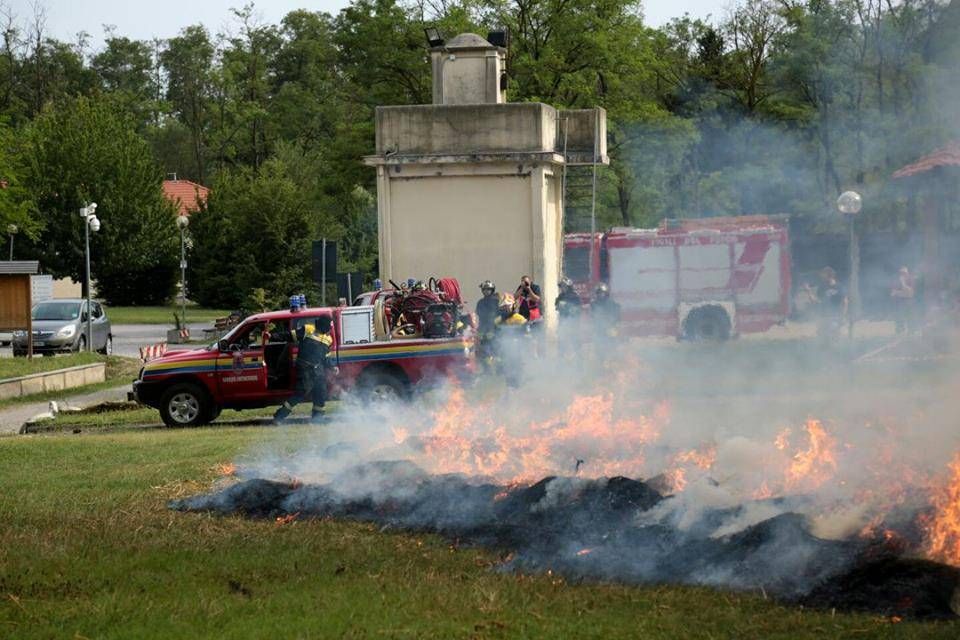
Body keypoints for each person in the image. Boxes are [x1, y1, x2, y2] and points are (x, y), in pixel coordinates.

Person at [273, 316, 335, 424]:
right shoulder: (308, 329)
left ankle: (318, 419)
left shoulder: (328, 339)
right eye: (329, 326)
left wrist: (333, 366)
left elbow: (326, 357)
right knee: (301, 392)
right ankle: (279, 416)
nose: (330, 329)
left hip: (318, 370)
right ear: (324, 325)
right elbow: (289, 336)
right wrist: (272, 336)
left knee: (320, 392)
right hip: (305, 368)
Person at [812, 266, 847, 342]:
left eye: (823, 274)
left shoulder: (839, 287)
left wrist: (843, 316)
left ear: (830, 275)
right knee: (822, 336)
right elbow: (818, 301)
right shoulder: (821, 287)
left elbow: (844, 302)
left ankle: (835, 346)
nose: (821, 277)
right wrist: (808, 292)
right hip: (824, 316)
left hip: (835, 316)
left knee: (834, 336)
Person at [475, 281, 500, 370]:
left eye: (488, 289)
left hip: (495, 330)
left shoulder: (496, 301)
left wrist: (493, 329)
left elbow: (498, 315)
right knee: (484, 352)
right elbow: (479, 315)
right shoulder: (480, 302)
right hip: (483, 330)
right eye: (484, 289)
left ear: (492, 290)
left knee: (496, 352)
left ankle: (498, 370)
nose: (486, 291)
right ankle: (487, 370)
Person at [890, 266, 915, 334]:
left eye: (904, 273)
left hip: (908, 301)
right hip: (899, 301)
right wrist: (900, 292)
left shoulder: (911, 280)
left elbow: (910, 293)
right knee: (899, 316)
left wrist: (903, 284)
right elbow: (892, 293)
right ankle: (900, 330)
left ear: (907, 273)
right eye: (901, 273)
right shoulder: (896, 281)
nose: (902, 275)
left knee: (909, 316)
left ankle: (911, 330)